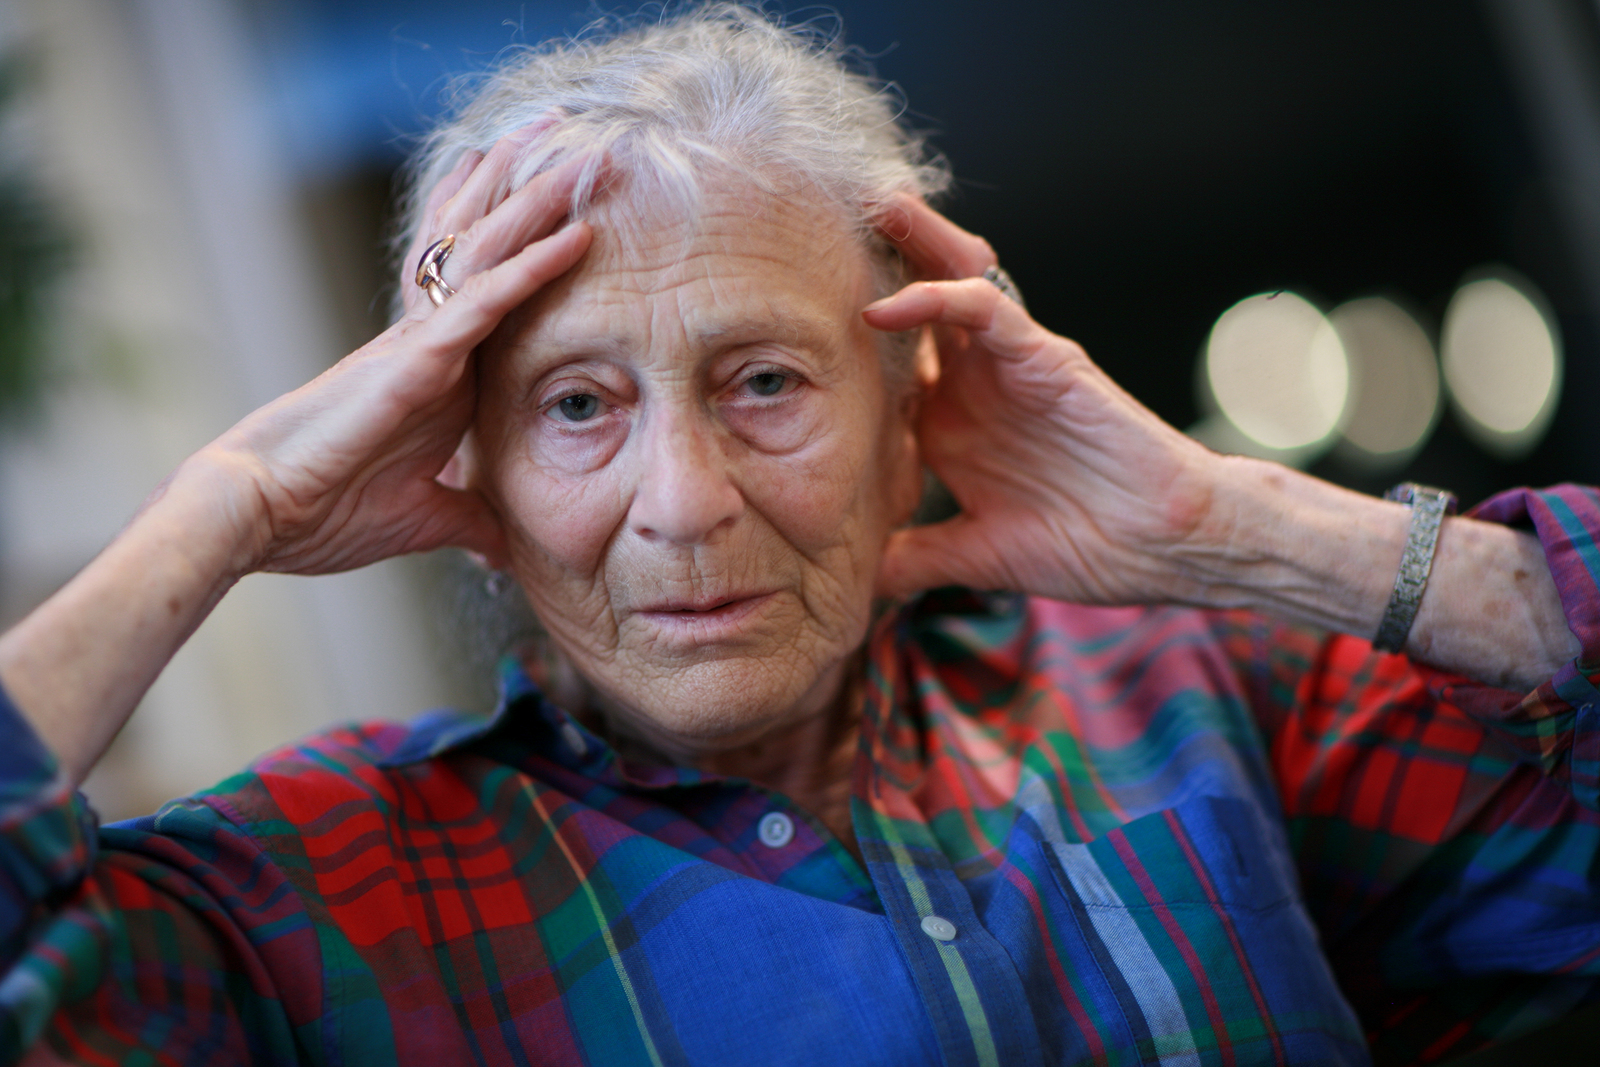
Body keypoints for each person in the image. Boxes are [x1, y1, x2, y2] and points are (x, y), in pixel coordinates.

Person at [2, 5, 1597, 1064]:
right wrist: (223, 509)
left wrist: (1226, 523)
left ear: (912, 408)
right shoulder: (316, 900)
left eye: (764, 381)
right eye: (575, 405)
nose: (684, 501)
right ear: (466, 476)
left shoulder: (1196, 693)